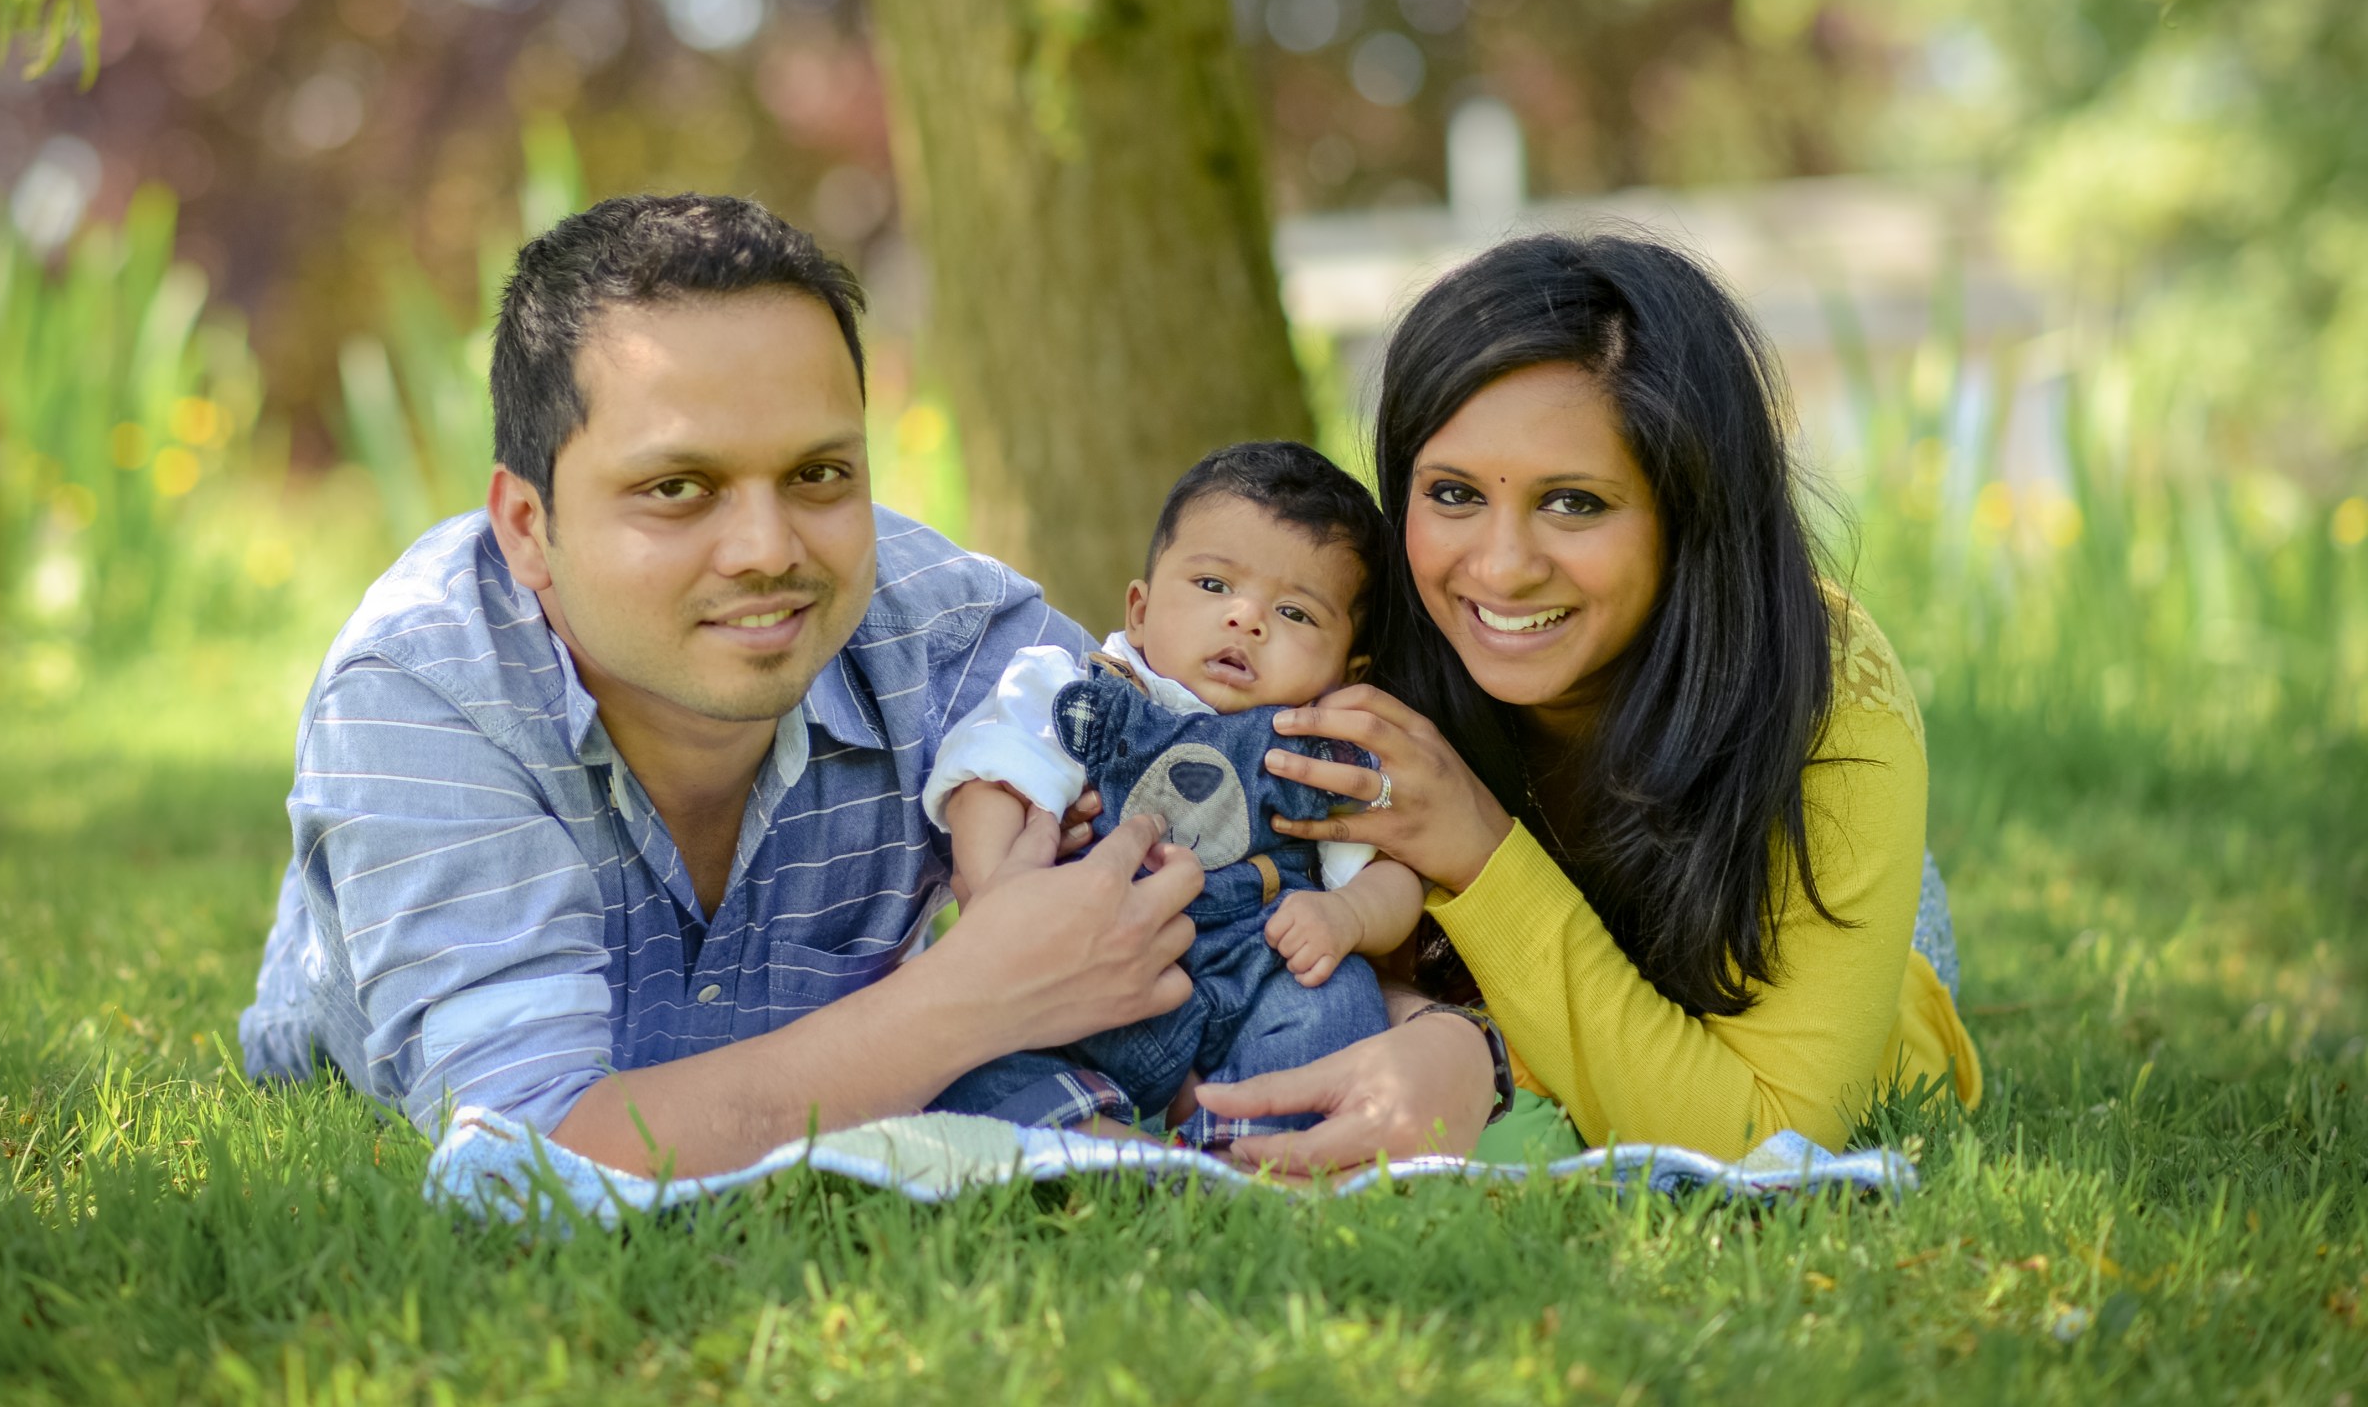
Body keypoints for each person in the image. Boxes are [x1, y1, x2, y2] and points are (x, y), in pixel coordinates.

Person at [236, 193, 1500, 1179]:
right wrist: (969, 995)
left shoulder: (969, 638)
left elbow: (1247, 854)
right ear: (526, 524)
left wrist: (1447, 1044)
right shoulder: (423, 694)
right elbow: (540, 1162)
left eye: (820, 475)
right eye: (677, 487)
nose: (768, 548)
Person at [1211, 234, 1983, 1165]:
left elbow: (1769, 1135)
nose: (1500, 568)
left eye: (1573, 503)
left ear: (1688, 508)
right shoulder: (1348, 641)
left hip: (1794, 867)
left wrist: (1481, 854)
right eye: (1453, 493)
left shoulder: (1825, 693)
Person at [920, 442, 1429, 1142]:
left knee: (1338, 1003)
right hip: (1071, 979)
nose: (1247, 619)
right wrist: (995, 884)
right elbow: (990, 774)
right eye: (1214, 586)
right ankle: (1090, 1141)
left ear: (1347, 669)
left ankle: (1250, 1147)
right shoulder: (1077, 691)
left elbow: (1393, 878)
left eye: (1296, 613)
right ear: (1139, 609)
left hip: (1254, 974)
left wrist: (1348, 919)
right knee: (976, 1056)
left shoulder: (1325, 754)